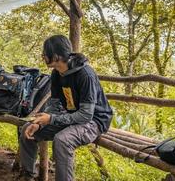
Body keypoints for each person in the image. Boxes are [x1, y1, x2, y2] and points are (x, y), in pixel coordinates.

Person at [19, 35, 113, 181]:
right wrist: (39, 123)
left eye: (45, 53)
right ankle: (27, 176)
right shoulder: (56, 73)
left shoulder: (85, 74)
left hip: (94, 121)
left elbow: (86, 115)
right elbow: (54, 104)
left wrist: (51, 119)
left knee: (63, 140)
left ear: (56, 56)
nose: (43, 56)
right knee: (27, 128)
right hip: (71, 115)